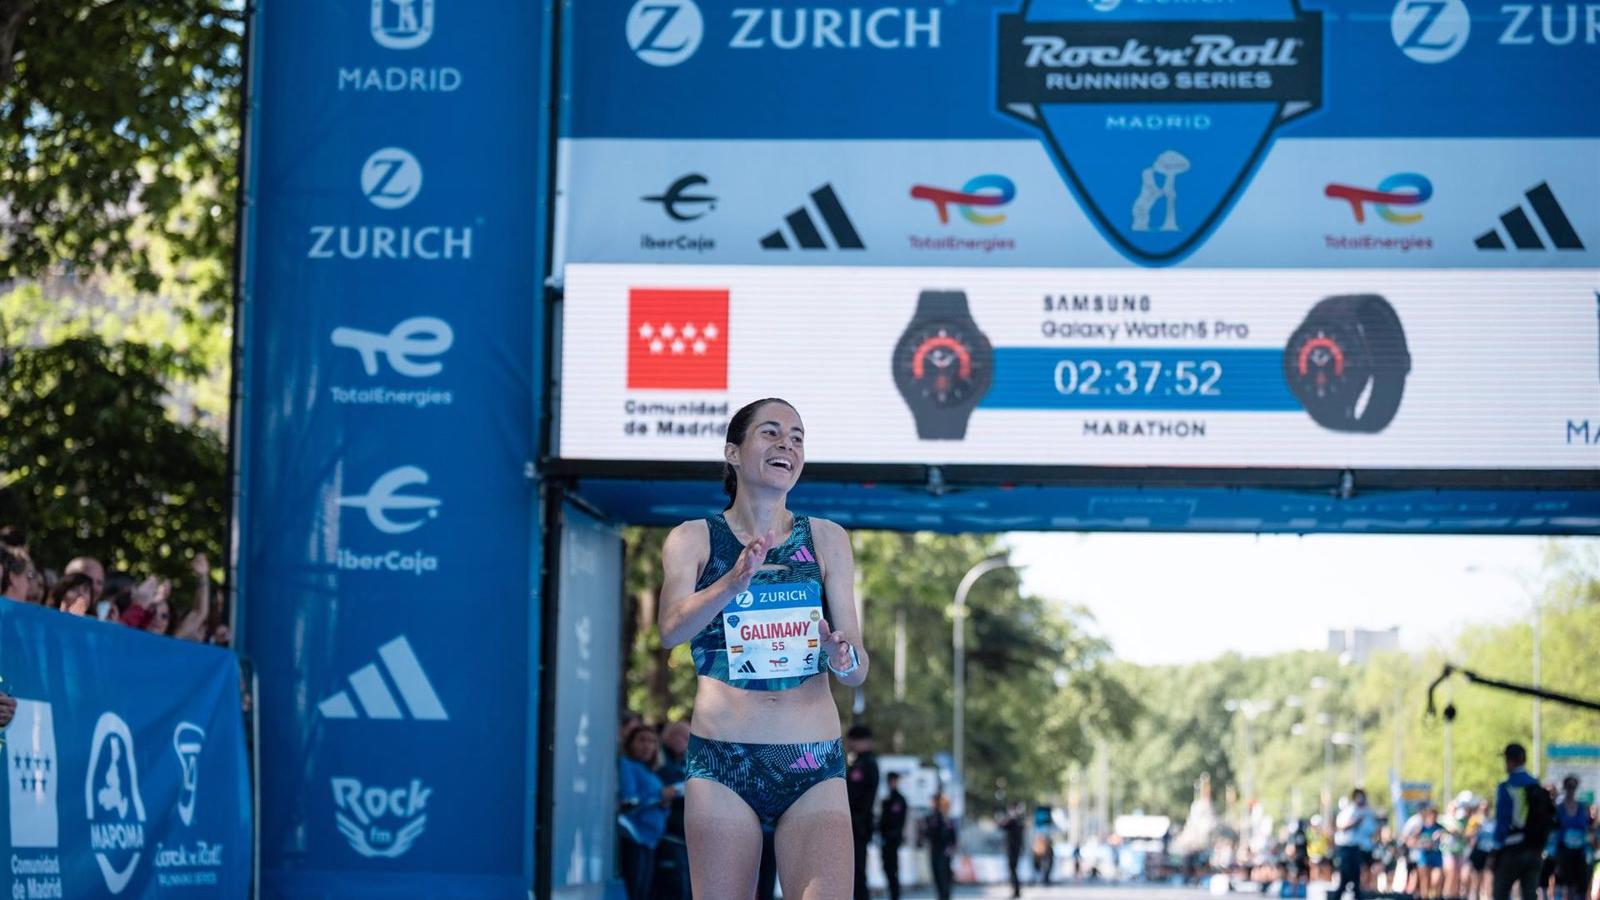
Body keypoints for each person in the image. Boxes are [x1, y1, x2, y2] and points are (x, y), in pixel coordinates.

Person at [657, 398, 870, 899]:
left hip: (811, 759)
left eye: (797, 437)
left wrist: (845, 657)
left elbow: (857, 667)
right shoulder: (692, 539)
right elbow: (669, 631)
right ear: (733, 452)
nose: (787, 445)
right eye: (771, 433)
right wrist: (731, 583)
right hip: (723, 761)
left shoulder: (826, 538)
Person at [617, 723, 672, 900]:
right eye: (642, 740)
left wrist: (664, 803)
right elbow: (628, 801)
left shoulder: (652, 773)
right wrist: (659, 795)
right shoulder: (626, 765)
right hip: (634, 837)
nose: (647, 745)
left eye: (652, 741)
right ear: (630, 742)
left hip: (650, 841)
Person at [1492, 742, 1552, 900]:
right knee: (1530, 895)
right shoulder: (1536, 785)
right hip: (1534, 850)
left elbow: (1503, 820)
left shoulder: (1507, 787)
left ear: (1511, 761)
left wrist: (1496, 848)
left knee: (1500, 893)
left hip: (1512, 850)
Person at [656, 721, 692, 900]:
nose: (687, 742)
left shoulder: (687, 762)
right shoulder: (660, 762)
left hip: (686, 839)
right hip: (668, 837)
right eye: (685, 737)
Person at [846, 724, 880, 900]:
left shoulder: (865, 765)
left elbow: (855, 797)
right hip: (857, 824)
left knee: (857, 871)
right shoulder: (861, 762)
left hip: (857, 825)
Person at [1334, 788, 1378, 899]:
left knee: (1357, 876)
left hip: (1357, 848)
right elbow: (1341, 827)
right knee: (1345, 875)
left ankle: (1357, 896)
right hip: (1345, 847)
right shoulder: (1349, 811)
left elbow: (1371, 830)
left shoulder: (1366, 812)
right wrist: (1356, 822)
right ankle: (1337, 896)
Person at [1555, 776, 1594, 900]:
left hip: (1580, 852)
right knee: (1567, 885)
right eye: (1568, 787)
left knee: (1582, 885)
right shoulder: (1559, 808)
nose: (1571, 790)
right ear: (1565, 788)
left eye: (1573, 787)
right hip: (1564, 852)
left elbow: (1589, 826)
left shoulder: (1583, 807)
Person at [920, 793, 958, 900]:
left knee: (944, 879)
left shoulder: (946, 819)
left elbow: (952, 837)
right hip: (934, 851)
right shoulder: (930, 818)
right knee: (937, 877)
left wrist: (951, 849)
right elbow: (926, 834)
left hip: (944, 853)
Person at [879, 772, 909, 900]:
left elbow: (900, 821)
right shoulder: (886, 800)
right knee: (886, 867)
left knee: (893, 869)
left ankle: (895, 895)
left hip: (893, 839)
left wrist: (895, 834)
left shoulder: (900, 800)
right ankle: (892, 894)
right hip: (885, 839)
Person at [1000, 804, 1025, 897]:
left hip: (1013, 849)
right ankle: (1016, 890)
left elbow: (1002, 825)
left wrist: (1010, 817)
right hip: (1015, 849)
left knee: (1013, 870)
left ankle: (1016, 890)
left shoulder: (1014, 821)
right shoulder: (1018, 821)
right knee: (1013, 870)